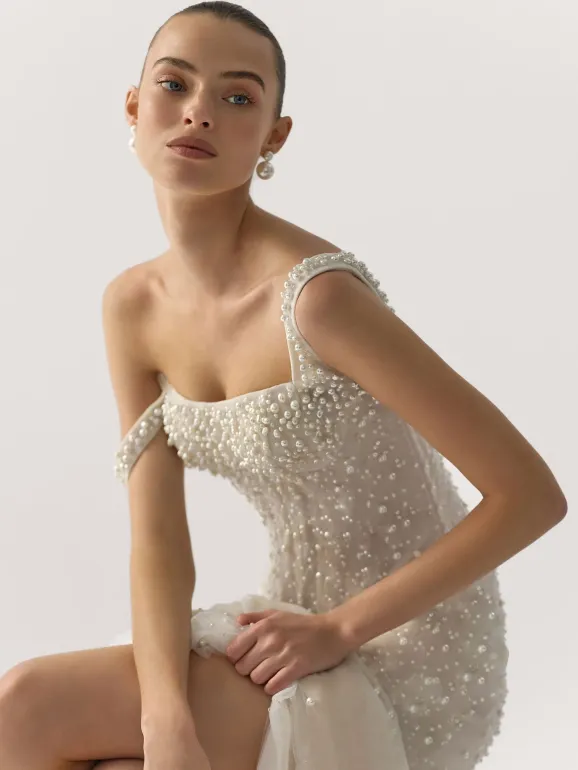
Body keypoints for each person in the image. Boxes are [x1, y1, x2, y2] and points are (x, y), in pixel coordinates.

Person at [0, 3, 567, 770]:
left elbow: (531, 495)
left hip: (405, 650)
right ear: (133, 109)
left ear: (274, 136)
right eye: (174, 84)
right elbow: (158, 539)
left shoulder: (319, 301)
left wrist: (338, 631)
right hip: (280, 626)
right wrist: (164, 720)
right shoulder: (131, 308)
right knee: (122, 757)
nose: (198, 110)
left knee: (25, 709)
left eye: (238, 97)